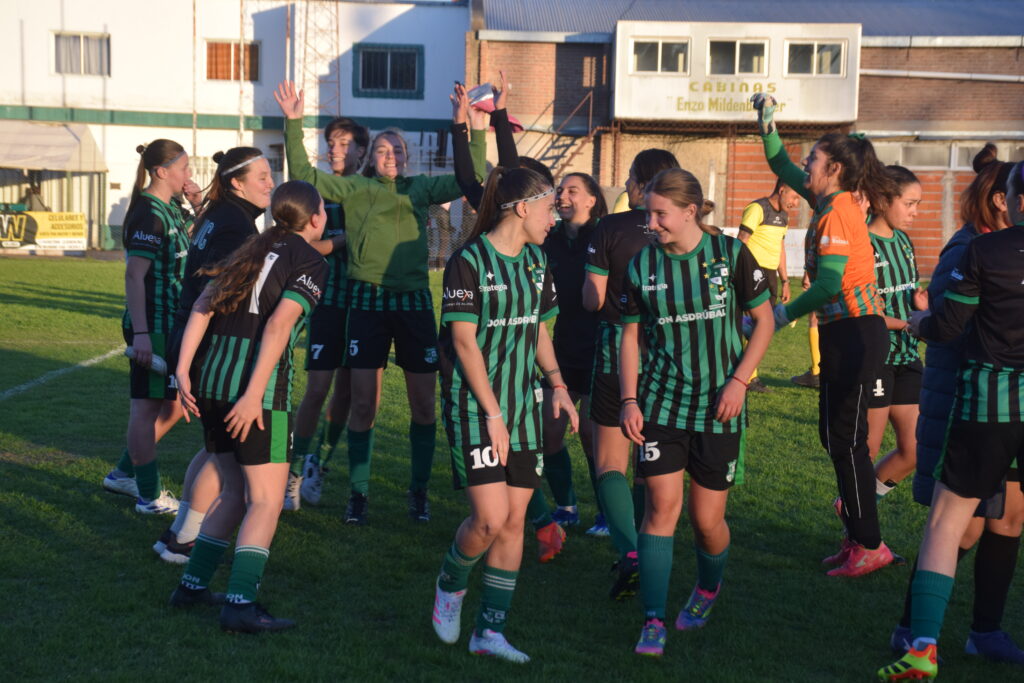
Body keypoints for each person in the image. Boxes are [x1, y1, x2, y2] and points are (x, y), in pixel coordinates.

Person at [275, 80, 486, 524]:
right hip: (366, 304)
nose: (392, 156)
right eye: (384, 151)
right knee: (364, 404)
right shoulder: (355, 190)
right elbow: (305, 179)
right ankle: (358, 494)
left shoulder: (420, 189)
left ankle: (419, 492)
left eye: (398, 151)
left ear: (406, 159)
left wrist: (466, 127)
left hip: (412, 305)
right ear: (371, 159)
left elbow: (474, 177)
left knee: (424, 406)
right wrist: (293, 124)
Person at [877, 161, 1024, 680]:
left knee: (998, 518)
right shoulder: (970, 249)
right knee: (962, 529)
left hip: (996, 403)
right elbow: (951, 332)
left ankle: (969, 635)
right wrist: (929, 321)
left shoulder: (989, 250)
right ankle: (913, 630)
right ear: (1003, 201)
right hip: (975, 399)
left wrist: (921, 320)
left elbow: (946, 323)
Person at [620, 168, 773, 656]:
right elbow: (629, 336)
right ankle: (652, 621)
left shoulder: (730, 255)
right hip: (662, 404)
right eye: (648, 213)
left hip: (719, 407)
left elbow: (765, 322)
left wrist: (739, 381)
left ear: (691, 211)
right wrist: (629, 399)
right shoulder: (641, 266)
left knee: (706, 521)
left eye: (661, 214)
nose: (652, 223)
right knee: (662, 509)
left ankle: (707, 589)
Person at [430, 166, 577, 663]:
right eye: (550, 207)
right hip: (476, 410)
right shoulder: (467, 261)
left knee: (514, 523)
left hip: (524, 410)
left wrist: (557, 385)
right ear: (522, 208)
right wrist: (492, 412)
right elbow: (464, 342)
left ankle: (489, 631)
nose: (555, 216)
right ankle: (449, 586)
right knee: (489, 520)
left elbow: (538, 331)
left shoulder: (537, 262)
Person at [169, 180, 327, 633]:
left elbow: (201, 307)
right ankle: (240, 604)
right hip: (254, 395)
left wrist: (183, 371)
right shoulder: (310, 260)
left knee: (234, 492)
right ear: (315, 217)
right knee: (266, 500)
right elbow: (278, 326)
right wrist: (255, 394)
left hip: (211, 384)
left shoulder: (251, 247)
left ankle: (192, 586)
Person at [752, 93, 897, 576]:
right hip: (844, 335)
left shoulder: (836, 212)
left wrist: (783, 311)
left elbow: (832, 283)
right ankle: (858, 536)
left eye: (813, 157)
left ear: (833, 167)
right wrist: (767, 121)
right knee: (836, 438)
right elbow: (778, 159)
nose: (805, 164)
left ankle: (870, 545)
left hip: (857, 334)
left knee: (848, 441)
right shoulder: (826, 198)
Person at [152, 147, 275, 563]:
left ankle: (178, 533)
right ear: (237, 182)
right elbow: (214, 299)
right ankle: (184, 538)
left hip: (191, 338)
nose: (270, 184)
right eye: (261, 176)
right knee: (222, 451)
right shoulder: (234, 227)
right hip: (207, 345)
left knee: (212, 446)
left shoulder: (219, 214)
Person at [582, 148, 680, 595]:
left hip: (615, 349)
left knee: (609, 462)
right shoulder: (686, 229)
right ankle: (653, 541)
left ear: (640, 183)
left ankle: (631, 552)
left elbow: (593, 299)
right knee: (653, 461)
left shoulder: (611, 227)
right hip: (670, 357)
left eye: (628, 180)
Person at [103, 139, 198, 514]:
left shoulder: (170, 207)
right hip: (152, 326)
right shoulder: (149, 213)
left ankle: (125, 473)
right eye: (185, 169)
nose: (189, 175)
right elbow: (133, 275)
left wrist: (195, 201)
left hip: (170, 323)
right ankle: (148, 495)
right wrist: (141, 334)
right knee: (145, 411)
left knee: (173, 406)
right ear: (162, 171)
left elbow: (198, 236)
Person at [289, 117, 371, 508]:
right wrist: (345, 240)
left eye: (342, 144)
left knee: (349, 394)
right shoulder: (318, 191)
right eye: (330, 143)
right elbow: (308, 247)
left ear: (360, 150)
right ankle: (292, 471)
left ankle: (317, 467)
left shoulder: (372, 190)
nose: (334, 150)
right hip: (328, 301)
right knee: (317, 389)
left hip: (367, 304)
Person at [525, 172, 606, 554]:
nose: (563, 195)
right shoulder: (550, 241)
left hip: (601, 349)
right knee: (550, 433)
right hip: (562, 349)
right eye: (560, 190)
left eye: (573, 190)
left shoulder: (604, 236)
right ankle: (567, 507)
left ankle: (607, 513)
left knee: (593, 436)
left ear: (592, 200)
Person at [865, 166, 927, 501]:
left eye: (918, 204)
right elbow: (864, 310)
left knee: (915, 450)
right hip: (875, 359)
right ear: (883, 200)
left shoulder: (903, 242)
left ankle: (857, 507)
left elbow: (907, 292)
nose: (915, 212)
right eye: (910, 203)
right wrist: (906, 323)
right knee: (865, 452)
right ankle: (858, 539)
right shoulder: (862, 243)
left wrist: (919, 307)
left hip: (906, 355)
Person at [737, 178, 801, 392]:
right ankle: (747, 377)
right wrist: (740, 273)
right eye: (794, 197)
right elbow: (741, 241)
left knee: (761, 326)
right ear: (782, 190)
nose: (796, 203)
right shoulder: (757, 208)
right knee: (751, 324)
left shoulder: (783, 216)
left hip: (770, 275)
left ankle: (747, 375)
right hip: (753, 273)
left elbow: (780, 248)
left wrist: (785, 281)